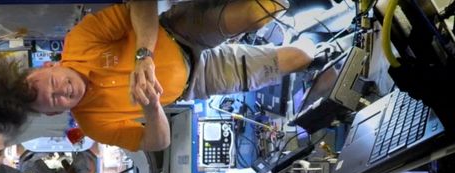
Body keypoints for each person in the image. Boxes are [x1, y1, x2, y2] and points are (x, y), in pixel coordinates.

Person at [26, 0, 317, 152]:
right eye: (55, 101)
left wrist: (144, 55)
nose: (63, 91)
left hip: (179, 32)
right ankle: (319, 40)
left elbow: (142, 4)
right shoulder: (93, 125)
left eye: (53, 83)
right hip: (198, 80)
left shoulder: (81, 40)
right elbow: (157, 142)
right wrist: (152, 109)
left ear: (49, 66)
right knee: (300, 59)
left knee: (259, 12)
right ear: (54, 114)